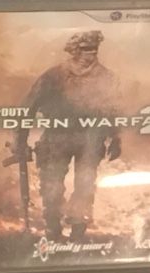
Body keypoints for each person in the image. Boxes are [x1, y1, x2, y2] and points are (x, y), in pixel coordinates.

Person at [12, 29, 125, 240]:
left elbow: (114, 111)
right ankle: (53, 231)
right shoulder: (54, 76)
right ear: (74, 50)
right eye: (85, 49)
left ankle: (78, 234)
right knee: (52, 186)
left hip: (91, 139)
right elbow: (27, 108)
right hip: (57, 137)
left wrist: (115, 139)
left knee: (85, 185)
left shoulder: (107, 78)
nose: (91, 54)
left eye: (94, 49)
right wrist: (19, 140)